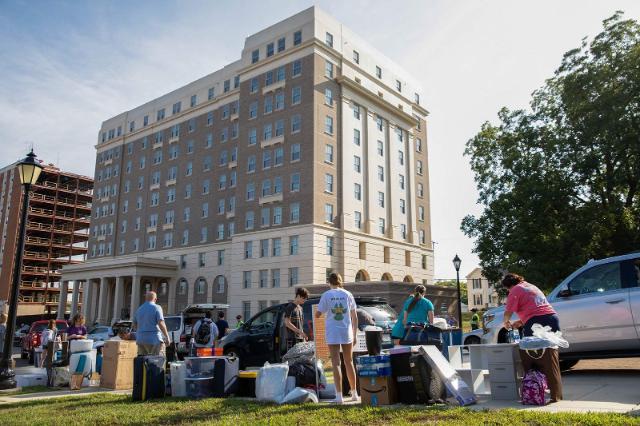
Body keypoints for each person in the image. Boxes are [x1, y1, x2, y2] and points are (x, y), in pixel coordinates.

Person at [502, 273, 562, 402]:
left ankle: (536, 391)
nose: (508, 291)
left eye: (507, 289)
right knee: (550, 358)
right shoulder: (530, 286)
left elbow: (508, 310)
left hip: (537, 322)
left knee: (533, 358)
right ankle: (555, 393)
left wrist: (506, 322)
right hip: (551, 318)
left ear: (509, 286)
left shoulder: (515, 289)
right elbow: (536, 308)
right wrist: (522, 321)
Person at [315, 272, 359, 404]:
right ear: (340, 281)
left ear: (329, 282)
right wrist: (355, 334)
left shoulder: (326, 295)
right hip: (346, 332)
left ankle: (339, 396)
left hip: (333, 332)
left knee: (336, 363)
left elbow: (318, 314)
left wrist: (323, 311)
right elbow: (355, 317)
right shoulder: (347, 294)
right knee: (349, 362)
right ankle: (354, 393)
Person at [132, 291, 171, 356]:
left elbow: (134, 325)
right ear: (155, 299)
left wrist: (140, 332)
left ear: (146, 299)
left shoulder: (139, 309)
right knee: (157, 362)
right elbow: (161, 323)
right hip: (154, 339)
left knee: (142, 362)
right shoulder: (157, 307)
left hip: (141, 339)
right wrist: (167, 337)